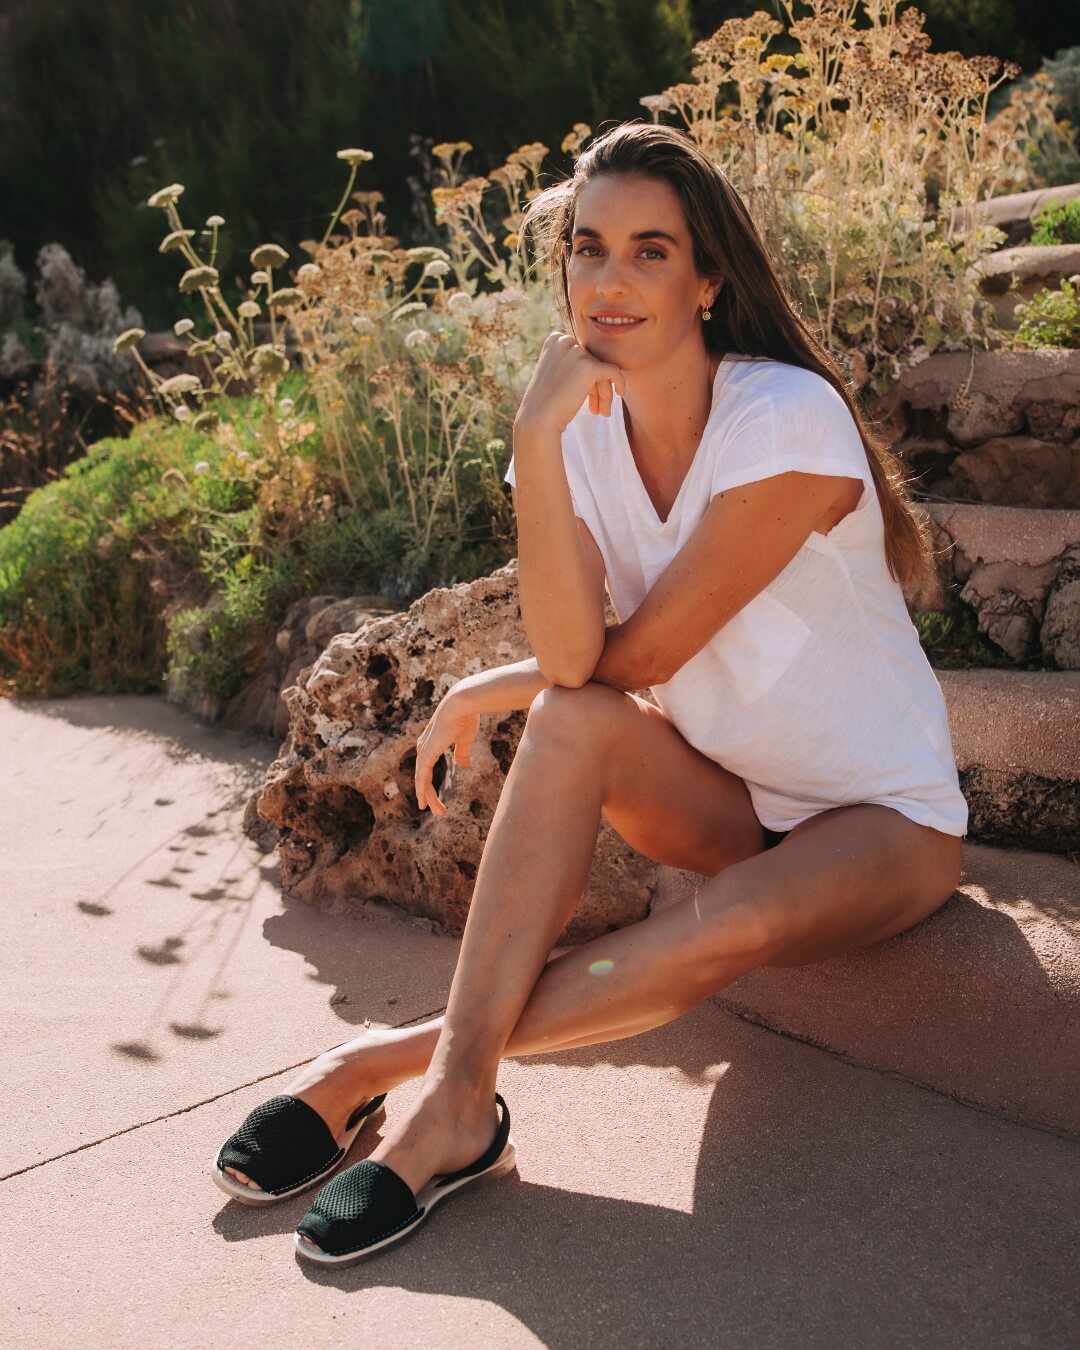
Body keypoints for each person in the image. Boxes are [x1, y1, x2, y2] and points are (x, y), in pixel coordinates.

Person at [213, 121, 968, 1265]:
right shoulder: (571, 431)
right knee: (569, 718)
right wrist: (536, 434)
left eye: (650, 252)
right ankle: (450, 1107)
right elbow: (576, 666)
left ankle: (397, 1076)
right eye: (588, 247)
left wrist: (497, 679)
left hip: (886, 823)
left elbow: (649, 652)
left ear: (708, 281)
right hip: (731, 800)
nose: (608, 280)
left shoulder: (783, 419)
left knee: (733, 917)